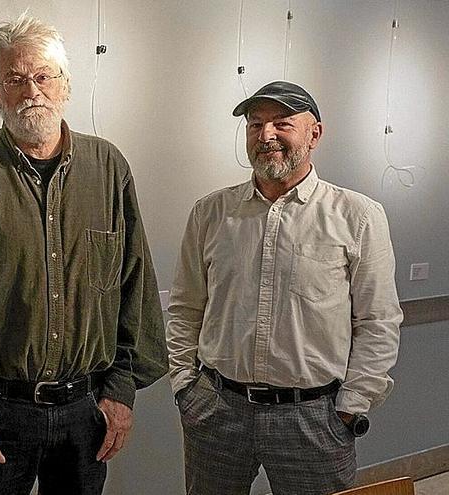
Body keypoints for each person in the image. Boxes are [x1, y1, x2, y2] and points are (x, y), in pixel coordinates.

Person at [0, 12, 167, 495]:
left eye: (43, 76)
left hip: (87, 411)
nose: (31, 90)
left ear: (65, 85)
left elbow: (134, 282)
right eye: (13, 79)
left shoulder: (108, 167)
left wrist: (121, 392)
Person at [166, 81, 403, 495]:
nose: (266, 135)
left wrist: (350, 408)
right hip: (218, 411)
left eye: (282, 123)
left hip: (313, 419)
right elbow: (186, 307)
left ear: (315, 134)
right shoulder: (211, 212)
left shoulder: (358, 216)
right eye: (255, 124)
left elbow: (378, 322)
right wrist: (186, 387)